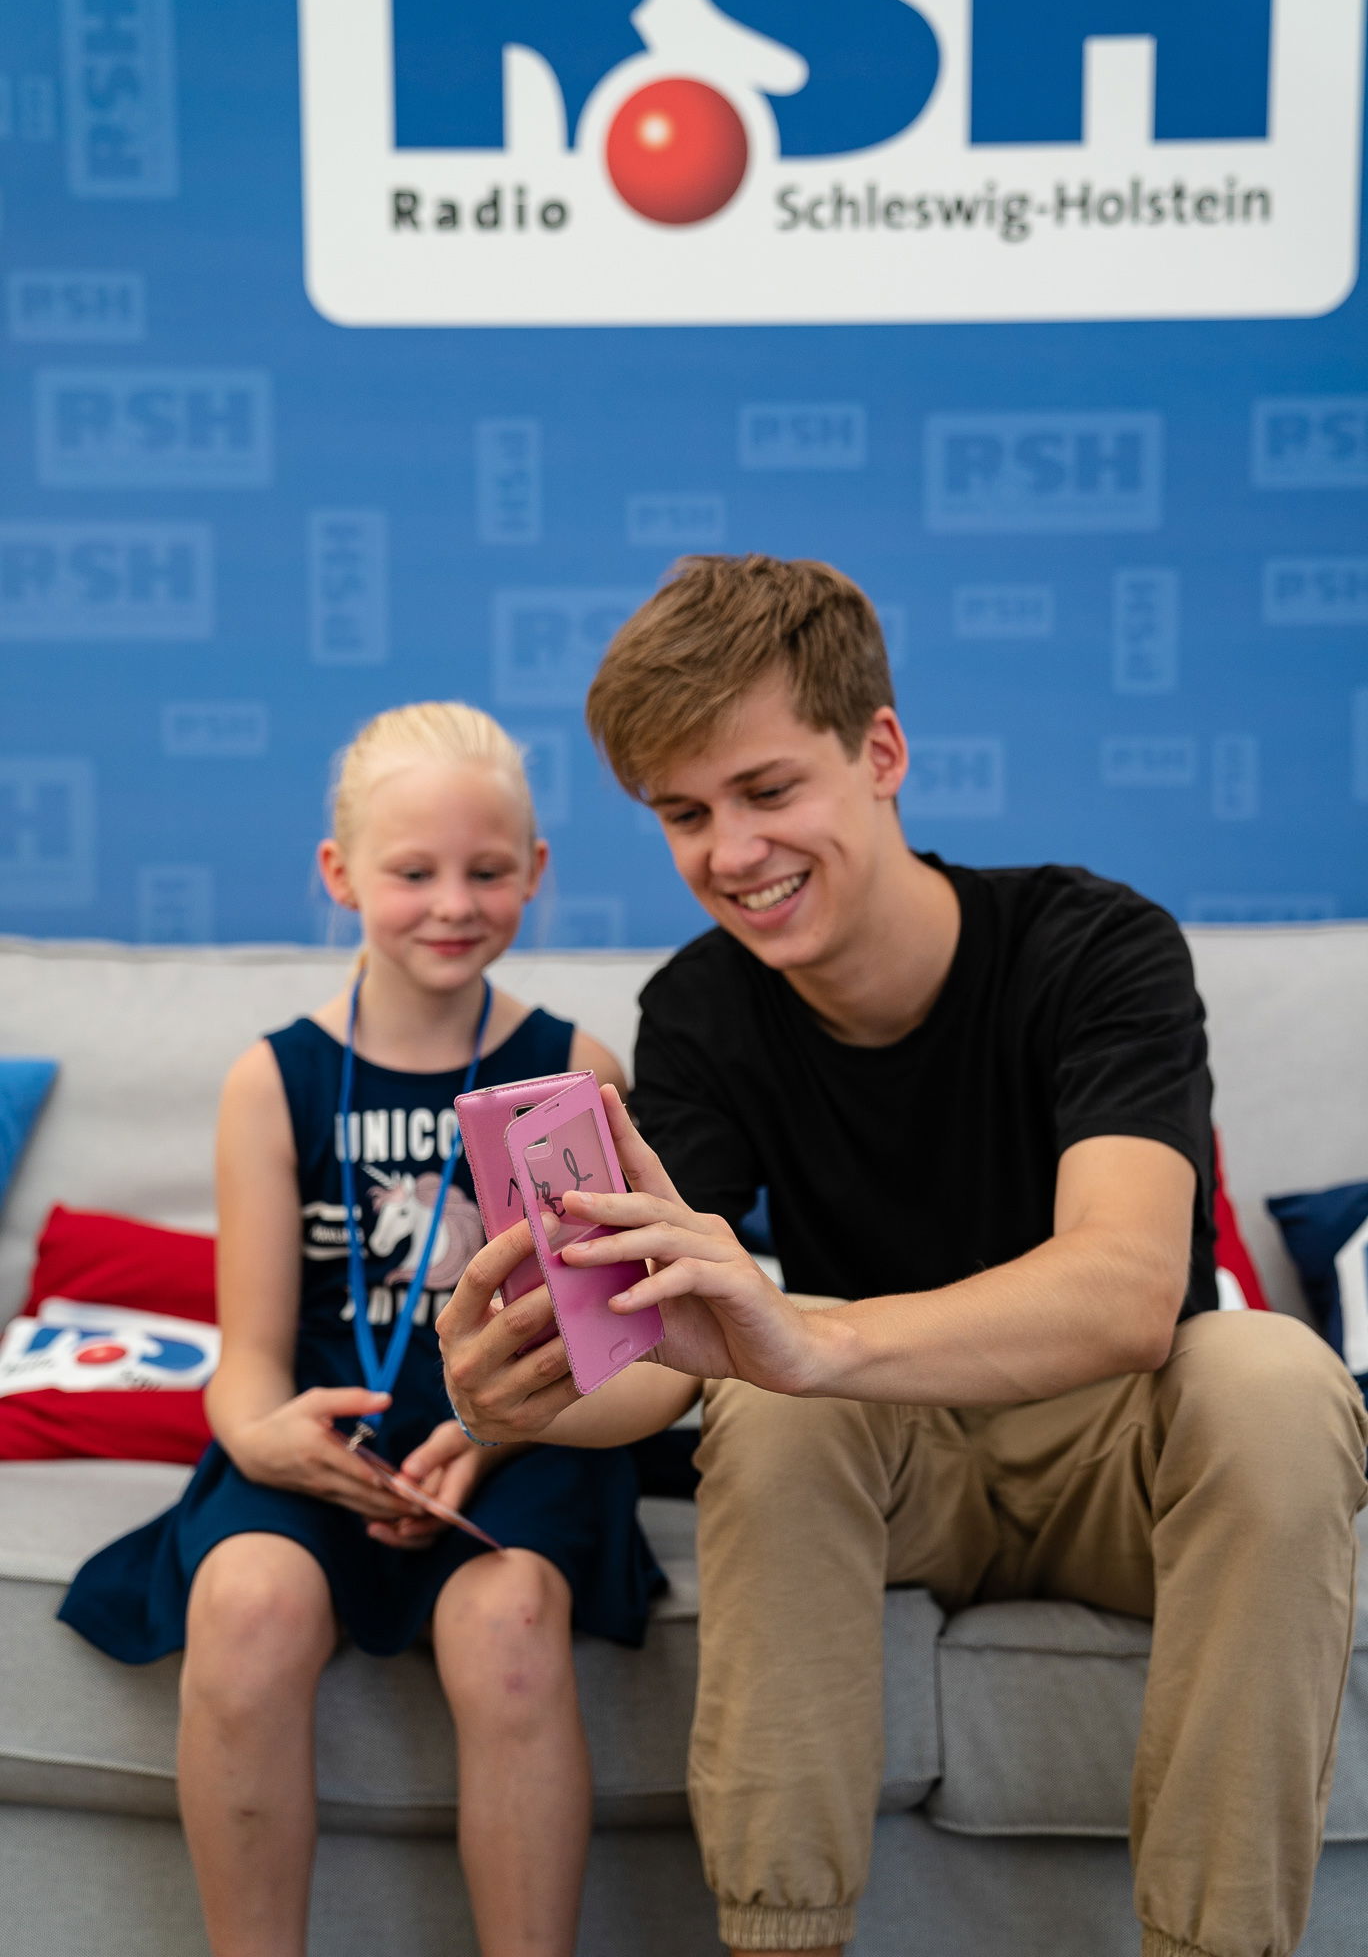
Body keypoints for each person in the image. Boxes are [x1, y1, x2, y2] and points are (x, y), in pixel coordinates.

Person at [438, 556, 1368, 1957]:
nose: (730, 852)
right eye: (685, 814)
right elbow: (659, 1355)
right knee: (769, 1402)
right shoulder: (699, 1010)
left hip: (1118, 1454)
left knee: (1273, 1376)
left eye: (766, 790)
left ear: (880, 752)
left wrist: (812, 1336)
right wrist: (519, 1395)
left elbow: (1127, 1290)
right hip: (893, 1469)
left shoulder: (1096, 945)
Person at [59, 701, 666, 1957]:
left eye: (487, 871)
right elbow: (248, 1364)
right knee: (245, 1600)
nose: (453, 903)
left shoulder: (573, 1067)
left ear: (536, 872)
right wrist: (265, 1439)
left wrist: (493, 1434)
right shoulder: (271, 1079)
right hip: (329, 1442)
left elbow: (608, 1345)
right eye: (413, 872)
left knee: (506, 1622)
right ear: (341, 875)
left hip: (517, 1436)